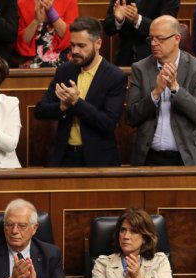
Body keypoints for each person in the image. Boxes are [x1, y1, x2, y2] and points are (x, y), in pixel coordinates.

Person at [34, 16, 127, 167]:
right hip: (65, 157)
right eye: (72, 45)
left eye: (81, 46)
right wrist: (62, 107)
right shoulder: (64, 71)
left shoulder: (115, 77)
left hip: (99, 160)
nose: (75, 51)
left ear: (98, 43)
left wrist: (77, 102)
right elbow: (40, 110)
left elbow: (108, 123)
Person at [127, 15, 196, 166]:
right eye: (151, 39)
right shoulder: (140, 69)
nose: (154, 44)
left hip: (185, 159)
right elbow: (132, 117)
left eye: (160, 39)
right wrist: (156, 93)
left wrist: (175, 88)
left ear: (177, 38)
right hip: (148, 158)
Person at [0, 198, 68, 278]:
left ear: (34, 228)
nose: (14, 231)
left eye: (22, 226)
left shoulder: (50, 254)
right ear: (4, 226)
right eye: (9, 225)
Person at [91, 208, 172, 278]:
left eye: (133, 231)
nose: (126, 236)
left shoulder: (160, 261)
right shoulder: (102, 264)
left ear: (145, 238)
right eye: (123, 230)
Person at [103, 0, 179, 66]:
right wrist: (118, 20)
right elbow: (108, 28)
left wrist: (137, 20)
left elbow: (166, 27)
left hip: (154, 58)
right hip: (124, 58)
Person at [15, 0, 78, 68]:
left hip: (62, 60)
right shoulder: (22, 4)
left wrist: (52, 14)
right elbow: (21, 43)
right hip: (32, 62)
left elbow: (72, 36)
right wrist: (36, 20)